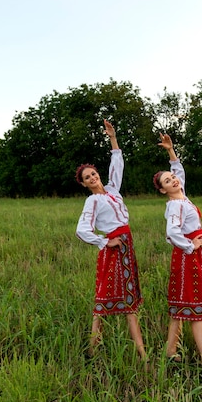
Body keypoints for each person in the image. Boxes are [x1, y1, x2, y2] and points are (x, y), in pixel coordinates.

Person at [75, 120, 147, 364]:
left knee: (128, 302)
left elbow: (117, 166)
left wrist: (113, 139)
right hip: (113, 248)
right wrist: (105, 242)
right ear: (84, 184)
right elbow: (81, 229)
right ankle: (93, 350)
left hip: (127, 244)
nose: (93, 178)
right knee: (104, 299)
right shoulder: (92, 202)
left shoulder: (113, 191)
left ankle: (141, 354)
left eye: (94, 173)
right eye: (88, 177)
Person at [153, 133, 202, 377]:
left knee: (183, 305)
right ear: (163, 190)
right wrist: (191, 246)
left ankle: (170, 350)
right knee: (195, 307)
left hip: (192, 256)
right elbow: (171, 233)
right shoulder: (176, 205)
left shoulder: (182, 197)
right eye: (168, 181)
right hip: (187, 257)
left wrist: (170, 151)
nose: (174, 181)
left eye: (173, 178)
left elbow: (179, 170)